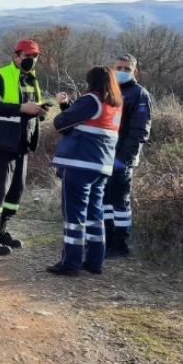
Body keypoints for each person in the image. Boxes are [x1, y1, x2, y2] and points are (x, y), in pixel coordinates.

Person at [0, 39, 48, 255]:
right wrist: (21, 108)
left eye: (34, 57)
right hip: (0, 143)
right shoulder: (0, 75)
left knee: (15, 192)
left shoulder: (32, 80)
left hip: (21, 145)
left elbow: (29, 111)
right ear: (16, 56)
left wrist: (39, 112)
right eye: (27, 56)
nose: (31, 60)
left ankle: (0, 230)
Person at [46, 66, 123, 276]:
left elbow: (61, 124)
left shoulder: (91, 100)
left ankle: (70, 263)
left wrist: (64, 107)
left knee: (74, 215)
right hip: (102, 167)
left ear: (92, 81)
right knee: (94, 214)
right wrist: (68, 106)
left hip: (80, 164)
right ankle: (94, 261)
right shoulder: (115, 104)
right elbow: (86, 123)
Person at [103, 54, 152, 258]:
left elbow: (140, 131)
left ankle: (121, 243)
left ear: (134, 71)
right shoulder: (109, 91)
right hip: (104, 155)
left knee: (119, 202)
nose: (121, 71)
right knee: (104, 200)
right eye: (118, 67)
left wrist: (123, 159)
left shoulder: (139, 94)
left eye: (126, 68)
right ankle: (105, 238)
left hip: (123, 158)